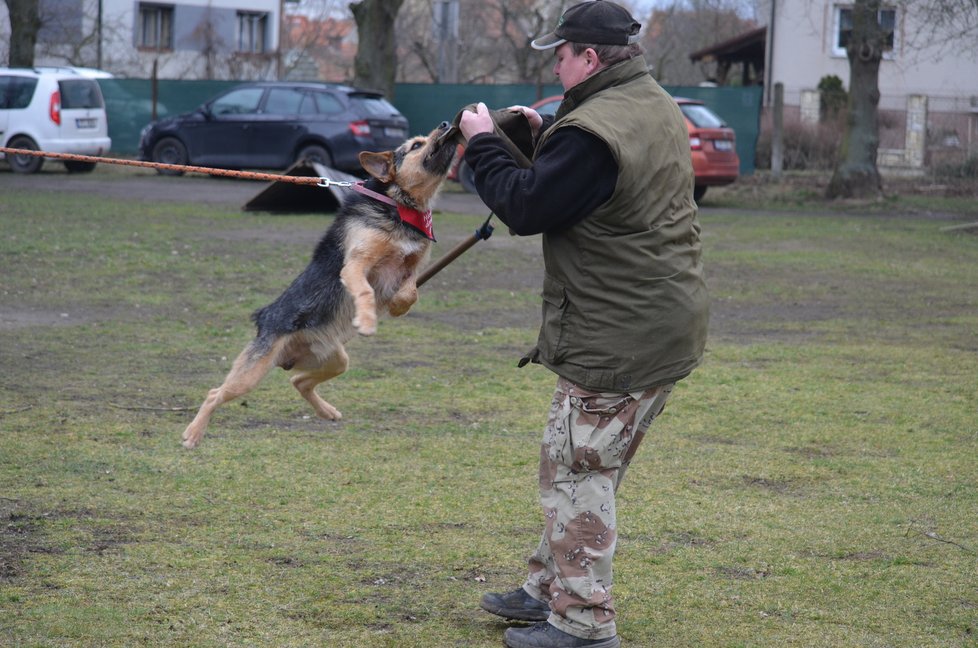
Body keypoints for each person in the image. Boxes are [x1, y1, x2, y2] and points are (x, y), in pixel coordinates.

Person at [457, 2, 710, 647]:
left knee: (578, 472)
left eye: (561, 53)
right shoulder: (649, 101)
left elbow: (526, 203)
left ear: (590, 57)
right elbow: (582, 185)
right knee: (581, 465)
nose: (556, 62)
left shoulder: (595, 128)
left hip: (618, 334)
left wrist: (484, 142)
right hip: (663, 324)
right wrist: (543, 142)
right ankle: (547, 590)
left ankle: (583, 626)